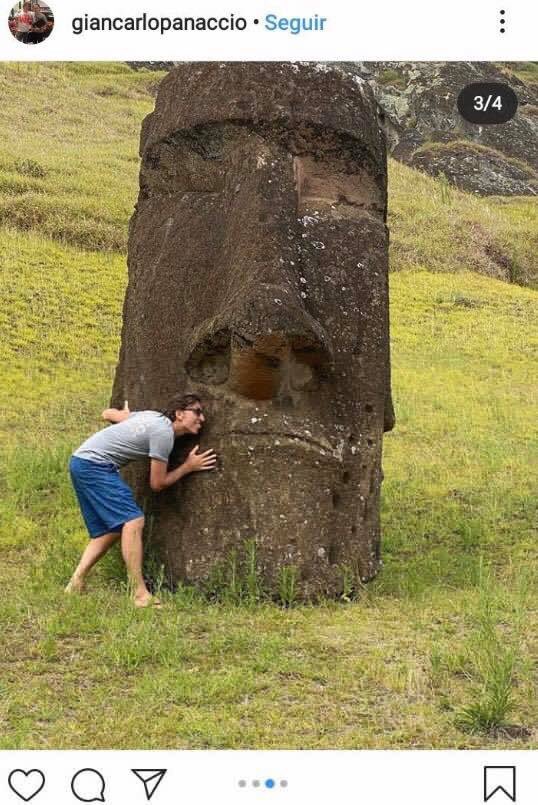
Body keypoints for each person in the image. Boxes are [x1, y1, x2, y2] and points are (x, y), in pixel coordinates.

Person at [66, 393, 217, 607]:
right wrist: (188, 467)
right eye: (197, 412)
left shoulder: (151, 417)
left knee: (111, 529)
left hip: (80, 461)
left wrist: (124, 418)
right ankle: (139, 593)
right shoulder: (164, 434)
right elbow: (158, 483)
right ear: (179, 414)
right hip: (95, 466)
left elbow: (107, 413)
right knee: (133, 520)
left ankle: (76, 582)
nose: (202, 418)